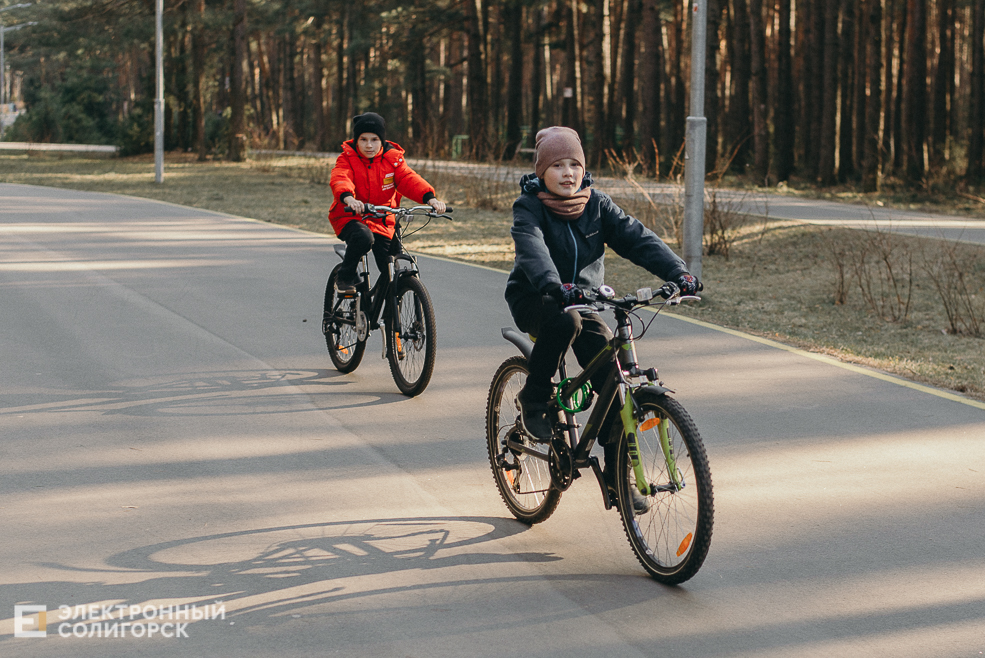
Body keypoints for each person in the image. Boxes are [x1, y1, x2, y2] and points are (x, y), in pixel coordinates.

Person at [505, 126, 700, 498]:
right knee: (565, 320)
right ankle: (534, 397)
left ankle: (619, 480)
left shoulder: (597, 204)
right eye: (557, 165)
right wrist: (552, 284)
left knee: (612, 383)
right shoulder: (529, 206)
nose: (567, 173)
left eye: (574, 164)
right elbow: (531, 247)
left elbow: (636, 237)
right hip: (537, 298)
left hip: (587, 300)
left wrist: (679, 272)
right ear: (541, 171)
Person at [329, 112, 446, 292]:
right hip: (350, 217)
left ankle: (385, 314)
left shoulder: (393, 160)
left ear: (382, 140)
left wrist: (430, 198)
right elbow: (340, 178)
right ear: (356, 140)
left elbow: (409, 179)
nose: (369, 145)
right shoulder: (347, 159)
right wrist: (349, 198)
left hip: (383, 220)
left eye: (374, 139)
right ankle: (345, 277)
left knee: (391, 268)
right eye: (363, 139)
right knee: (363, 238)